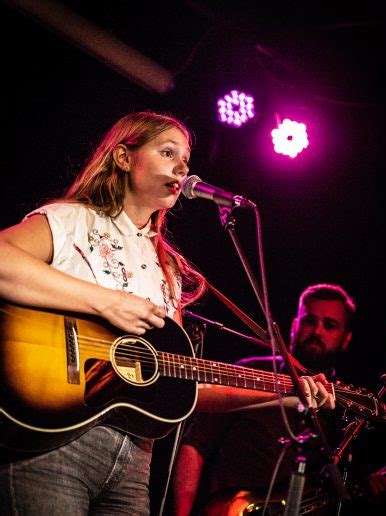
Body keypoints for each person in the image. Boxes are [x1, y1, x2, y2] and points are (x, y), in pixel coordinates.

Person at [0, 111, 334, 515]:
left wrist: (283, 392)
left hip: (134, 465)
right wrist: (104, 301)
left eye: (186, 159)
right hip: (57, 444)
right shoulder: (72, 221)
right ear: (124, 158)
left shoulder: (168, 270)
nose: (182, 167)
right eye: (167, 152)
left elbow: (181, 382)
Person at [171, 283, 356, 516]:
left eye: (330, 325)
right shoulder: (251, 371)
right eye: (309, 321)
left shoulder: (340, 406)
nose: (317, 331)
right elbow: (195, 445)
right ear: (295, 325)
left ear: (346, 338)